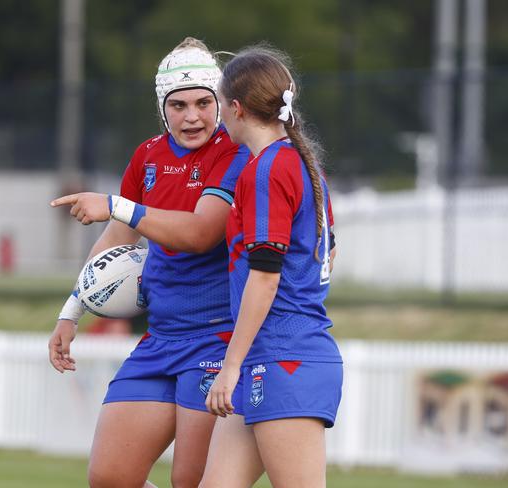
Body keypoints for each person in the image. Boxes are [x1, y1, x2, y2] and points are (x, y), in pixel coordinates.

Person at [48, 37, 251, 488]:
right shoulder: (148, 155)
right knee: (110, 478)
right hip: (161, 339)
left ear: (220, 101)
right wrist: (73, 309)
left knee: (190, 481)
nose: (192, 116)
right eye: (178, 105)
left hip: (215, 339)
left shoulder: (235, 153)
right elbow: (118, 236)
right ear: (163, 108)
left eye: (203, 102)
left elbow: (201, 234)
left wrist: (118, 205)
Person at [199, 46, 343, 488]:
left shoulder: (270, 168)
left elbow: (265, 275)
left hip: (285, 358)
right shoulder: (300, 163)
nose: (219, 115)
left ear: (236, 108)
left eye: (220, 103)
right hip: (271, 355)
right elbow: (329, 253)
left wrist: (230, 364)